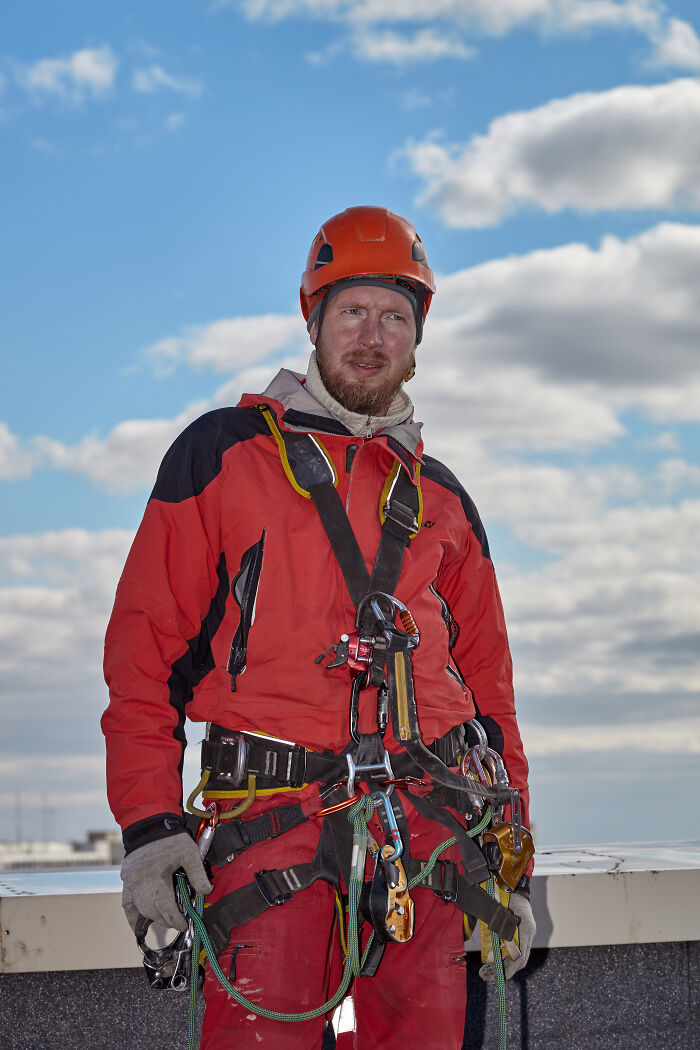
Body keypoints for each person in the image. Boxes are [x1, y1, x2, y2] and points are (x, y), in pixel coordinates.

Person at [102, 205, 535, 1050]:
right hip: (273, 822)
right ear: (314, 319)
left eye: (394, 317)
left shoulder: (441, 498)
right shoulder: (223, 454)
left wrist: (515, 862)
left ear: (416, 339)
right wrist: (152, 827)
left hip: (435, 832)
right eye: (352, 311)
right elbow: (143, 652)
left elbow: (491, 694)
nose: (372, 336)